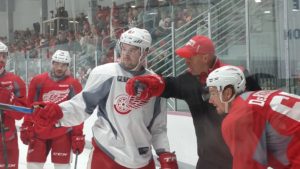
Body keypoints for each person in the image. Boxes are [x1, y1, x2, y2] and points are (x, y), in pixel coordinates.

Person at [30, 27, 178, 169]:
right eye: (124, 48)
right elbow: (82, 105)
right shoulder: (106, 74)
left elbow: (158, 127)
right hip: (107, 153)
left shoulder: (155, 83)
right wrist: (58, 112)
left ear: (145, 52)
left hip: (142, 158)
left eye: (132, 50)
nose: (125, 54)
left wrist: (164, 152)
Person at [125, 35, 261, 169]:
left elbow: (260, 112)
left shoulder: (239, 76)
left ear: (205, 58)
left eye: (190, 57)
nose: (186, 61)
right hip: (207, 161)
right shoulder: (190, 79)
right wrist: (147, 83)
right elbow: (168, 85)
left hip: (240, 160)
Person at [206, 65, 300, 169]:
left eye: (213, 93)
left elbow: (249, 166)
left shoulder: (238, 118)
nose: (210, 100)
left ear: (227, 93)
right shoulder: (256, 98)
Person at [20, 50, 84, 169]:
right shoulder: (38, 81)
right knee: (33, 165)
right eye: (57, 63)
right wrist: (26, 125)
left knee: (62, 167)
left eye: (63, 65)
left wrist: (77, 135)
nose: (59, 67)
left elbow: (77, 113)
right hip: (39, 131)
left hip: (62, 132)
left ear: (67, 66)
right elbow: (30, 106)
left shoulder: (73, 85)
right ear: (52, 63)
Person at [0, 41, 27, 169]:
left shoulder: (15, 81)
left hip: (7, 138)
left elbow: (20, 114)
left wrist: (8, 102)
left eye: (4, 56)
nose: (1, 59)